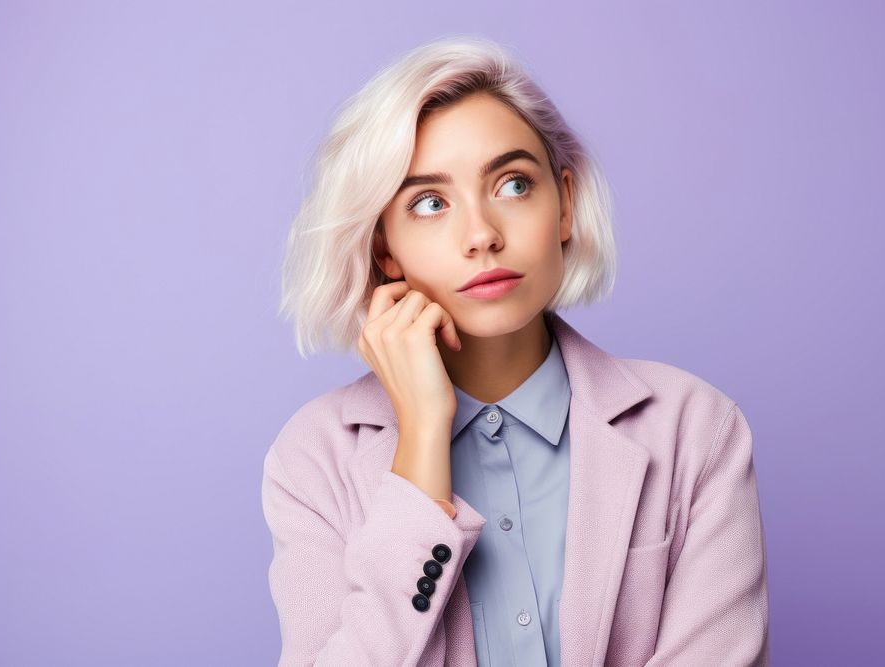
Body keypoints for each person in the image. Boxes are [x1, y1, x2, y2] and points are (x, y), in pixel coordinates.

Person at [262, 35, 769, 666]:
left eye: (512, 184)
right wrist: (420, 436)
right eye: (429, 203)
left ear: (563, 204)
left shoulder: (695, 428)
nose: (481, 235)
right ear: (383, 249)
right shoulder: (315, 459)